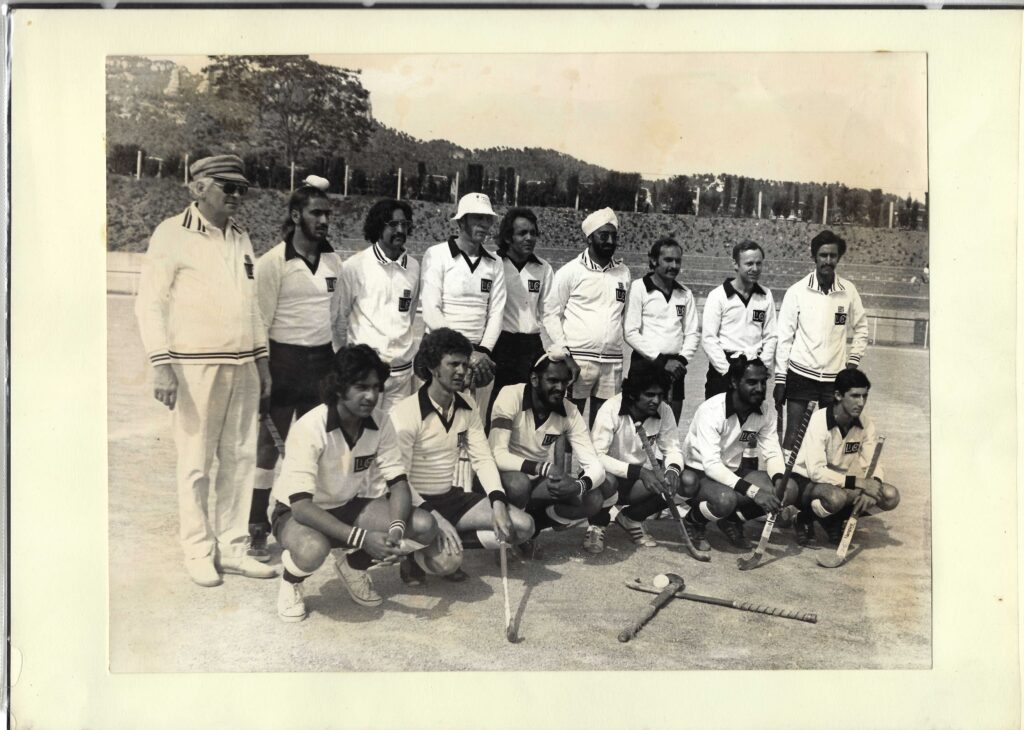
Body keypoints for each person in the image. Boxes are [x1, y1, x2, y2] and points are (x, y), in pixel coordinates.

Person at [134, 154, 275, 586]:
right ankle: (197, 549)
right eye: (227, 187)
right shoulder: (171, 234)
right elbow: (150, 303)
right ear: (198, 188)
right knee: (195, 463)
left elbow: (250, 307)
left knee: (240, 459)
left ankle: (232, 548)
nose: (236, 196)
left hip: (244, 366)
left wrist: (263, 363)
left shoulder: (241, 236)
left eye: (241, 189)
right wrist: (161, 365)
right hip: (195, 366)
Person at [269, 345, 454, 622]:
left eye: (377, 388)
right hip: (297, 514)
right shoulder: (310, 427)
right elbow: (301, 508)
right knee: (312, 550)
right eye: (361, 387)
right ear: (339, 387)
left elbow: (399, 483)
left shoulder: (381, 422)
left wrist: (395, 531)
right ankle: (291, 581)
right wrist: (363, 539)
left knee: (424, 526)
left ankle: (354, 566)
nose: (371, 396)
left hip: (347, 506)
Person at [378, 328, 535, 584]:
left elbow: (482, 458)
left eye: (464, 364)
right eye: (453, 364)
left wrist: (497, 502)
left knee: (523, 526)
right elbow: (398, 482)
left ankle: (444, 542)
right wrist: (437, 520)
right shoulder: (404, 413)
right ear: (432, 367)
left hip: (450, 497)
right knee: (447, 563)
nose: (462, 371)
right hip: (414, 503)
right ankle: (416, 555)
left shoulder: (467, 404)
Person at [247, 175, 343, 562]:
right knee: (269, 447)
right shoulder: (272, 262)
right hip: (284, 362)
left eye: (326, 214)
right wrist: (264, 374)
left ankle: (306, 520)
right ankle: (255, 525)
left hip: (323, 363)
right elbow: (260, 322)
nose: (323, 221)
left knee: (317, 446)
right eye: (315, 213)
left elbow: (337, 317)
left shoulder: (335, 261)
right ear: (295, 215)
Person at [488, 356, 605, 554]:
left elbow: (596, 467)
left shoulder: (570, 411)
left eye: (564, 382)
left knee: (592, 499)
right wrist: (543, 467)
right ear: (534, 379)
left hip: (536, 480)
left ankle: (530, 531)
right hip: (501, 478)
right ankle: (505, 538)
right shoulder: (511, 395)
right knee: (518, 484)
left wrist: (578, 486)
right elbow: (496, 454)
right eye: (552, 381)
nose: (560, 388)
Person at [680, 357, 797, 550]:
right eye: (751, 382)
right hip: (698, 474)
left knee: (789, 488)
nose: (759, 388)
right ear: (734, 382)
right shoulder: (711, 410)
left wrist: (778, 480)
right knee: (726, 500)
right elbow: (712, 465)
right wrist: (754, 492)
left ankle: (732, 521)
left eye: (762, 382)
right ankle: (693, 521)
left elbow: (773, 453)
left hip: (732, 473)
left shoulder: (765, 411)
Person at [774, 230, 869, 451]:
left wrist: (852, 364)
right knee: (793, 437)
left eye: (833, 256)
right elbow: (784, 339)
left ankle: (821, 483)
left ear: (838, 258)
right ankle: (788, 485)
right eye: (823, 255)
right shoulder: (796, 291)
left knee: (830, 438)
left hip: (834, 380)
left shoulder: (849, 291)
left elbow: (862, 328)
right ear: (814, 257)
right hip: (800, 374)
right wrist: (780, 379)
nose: (828, 261)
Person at [790, 368, 900, 547]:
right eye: (855, 396)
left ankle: (833, 520)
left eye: (865, 396)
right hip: (806, 481)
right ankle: (802, 518)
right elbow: (816, 472)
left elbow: (873, 462)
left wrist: (874, 485)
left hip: (838, 482)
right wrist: (859, 483)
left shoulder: (865, 423)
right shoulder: (819, 421)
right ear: (838, 395)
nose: (861, 402)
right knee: (836, 498)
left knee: (890, 496)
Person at [487, 207, 577, 423]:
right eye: (522, 233)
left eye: (533, 233)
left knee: (527, 407)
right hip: (500, 345)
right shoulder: (492, 263)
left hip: (530, 346)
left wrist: (565, 351)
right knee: (497, 406)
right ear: (508, 237)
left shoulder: (543, 268)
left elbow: (549, 313)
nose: (529, 238)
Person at [420, 193, 507, 411]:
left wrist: (483, 352)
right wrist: (465, 353)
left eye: (487, 219)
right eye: (477, 218)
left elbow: (496, 312)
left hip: (479, 356)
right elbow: (431, 311)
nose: (484, 224)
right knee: (436, 419)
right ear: (461, 221)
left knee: (471, 421)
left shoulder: (494, 262)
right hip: (442, 349)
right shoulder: (437, 254)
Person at [587, 359, 684, 554]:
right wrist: (639, 472)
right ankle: (597, 525)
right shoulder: (610, 408)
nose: (656, 401)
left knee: (681, 480)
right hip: (608, 478)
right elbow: (597, 456)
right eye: (649, 395)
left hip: (634, 483)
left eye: (660, 395)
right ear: (632, 393)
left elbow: (673, 448)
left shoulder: (663, 410)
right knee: (606, 480)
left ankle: (631, 518)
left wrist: (673, 469)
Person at [335, 198, 421, 415]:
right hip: (365, 374)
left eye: (405, 224)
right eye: (392, 225)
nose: (400, 230)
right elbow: (339, 319)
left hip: (401, 376)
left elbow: (408, 316)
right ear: (377, 226)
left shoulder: (413, 267)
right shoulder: (354, 266)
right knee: (362, 438)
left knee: (397, 440)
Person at [552, 207, 632, 426]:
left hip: (612, 362)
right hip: (578, 360)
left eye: (613, 236)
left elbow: (623, 317)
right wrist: (565, 355)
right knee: (570, 424)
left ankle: (596, 462)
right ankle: (564, 463)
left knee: (604, 426)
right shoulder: (570, 271)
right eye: (603, 235)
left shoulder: (623, 273)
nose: (609, 241)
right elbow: (551, 315)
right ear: (589, 238)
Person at [623, 237, 699, 422]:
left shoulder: (685, 293)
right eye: (668, 260)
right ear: (654, 260)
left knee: (669, 425)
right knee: (638, 426)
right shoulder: (639, 287)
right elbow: (630, 332)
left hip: (676, 367)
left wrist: (681, 360)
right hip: (646, 364)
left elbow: (693, 333)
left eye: (678, 261)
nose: (674, 265)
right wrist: (661, 361)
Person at [702, 239, 778, 399]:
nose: (755, 268)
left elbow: (771, 336)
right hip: (725, 369)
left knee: (752, 421)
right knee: (720, 419)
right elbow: (709, 339)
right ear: (736, 264)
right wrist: (727, 371)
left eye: (759, 263)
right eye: (749, 263)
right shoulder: (717, 295)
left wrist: (762, 366)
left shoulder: (766, 295)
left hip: (754, 368)